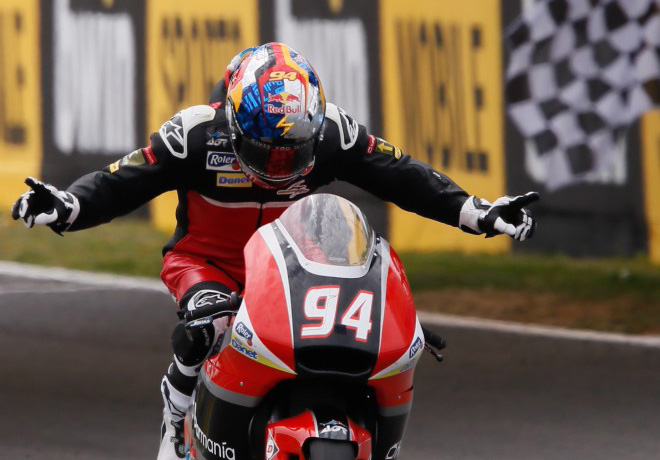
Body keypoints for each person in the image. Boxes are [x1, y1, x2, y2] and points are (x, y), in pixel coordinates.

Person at [12, 42, 538, 459]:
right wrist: (68, 205)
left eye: (294, 153)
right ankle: (174, 424)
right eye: (268, 152)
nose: (280, 167)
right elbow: (123, 180)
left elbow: (402, 175)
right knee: (208, 327)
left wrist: (477, 212)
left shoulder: (334, 133)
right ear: (234, 124)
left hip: (293, 266)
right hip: (206, 264)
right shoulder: (194, 133)